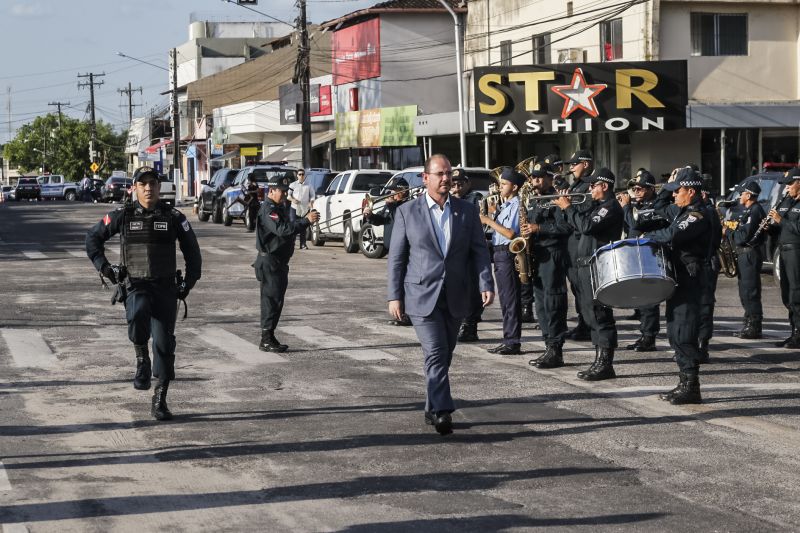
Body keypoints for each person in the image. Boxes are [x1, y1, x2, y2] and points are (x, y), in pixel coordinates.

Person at [387, 154, 494, 436]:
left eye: (449, 174)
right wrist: (393, 296)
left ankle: (431, 405)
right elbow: (397, 258)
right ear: (426, 178)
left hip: (457, 294)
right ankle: (444, 410)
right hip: (421, 295)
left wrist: (486, 282)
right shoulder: (407, 212)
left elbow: (479, 251)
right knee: (434, 352)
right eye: (440, 174)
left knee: (444, 355)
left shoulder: (466, 211)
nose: (447, 179)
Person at [85, 166, 202, 421]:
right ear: (134, 188)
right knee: (137, 315)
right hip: (135, 284)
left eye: (153, 183)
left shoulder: (173, 216)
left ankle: (160, 398)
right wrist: (105, 269)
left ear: (159, 187)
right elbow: (93, 239)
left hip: (165, 288)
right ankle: (141, 359)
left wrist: (188, 284)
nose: (148, 188)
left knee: (163, 345)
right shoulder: (122, 215)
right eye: (143, 184)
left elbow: (193, 251)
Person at [646, 168, 712, 404]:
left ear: (691, 191)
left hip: (690, 278)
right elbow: (659, 206)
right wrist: (670, 184)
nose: (674, 196)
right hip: (680, 278)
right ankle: (684, 382)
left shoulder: (697, 216)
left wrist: (648, 238)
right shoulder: (683, 210)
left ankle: (692, 387)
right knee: (675, 331)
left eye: (678, 191)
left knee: (684, 332)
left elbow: (672, 234)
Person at [554, 167, 623, 381]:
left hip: (598, 266)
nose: (590, 188)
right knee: (589, 313)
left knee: (600, 314)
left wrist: (567, 208)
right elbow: (576, 223)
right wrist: (568, 205)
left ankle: (606, 363)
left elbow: (585, 226)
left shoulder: (609, 207)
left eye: (593, 185)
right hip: (584, 265)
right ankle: (598, 360)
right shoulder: (596, 205)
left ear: (604, 186)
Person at [255, 174, 320, 352]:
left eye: (286, 192)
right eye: (281, 192)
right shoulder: (269, 209)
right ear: (271, 191)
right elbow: (282, 230)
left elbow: (290, 228)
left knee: (276, 301)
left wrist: (305, 220)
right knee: (271, 301)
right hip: (270, 262)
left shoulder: (278, 207)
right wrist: (306, 221)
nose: (284, 195)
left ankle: (270, 336)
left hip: (279, 262)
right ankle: (266, 339)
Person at [523, 162, 571, 368]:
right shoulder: (533, 200)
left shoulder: (555, 199)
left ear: (551, 178)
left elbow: (565, 226)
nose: (535, 181)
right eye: (533, 177)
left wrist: (538, 227)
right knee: (541, 304)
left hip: (553, 253)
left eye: (540, 177)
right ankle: (547, 345)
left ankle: (556, 349)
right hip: (537, 254)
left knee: (553, 303)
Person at [618, 169, 668, 351]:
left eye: (639, 189)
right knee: (640, 297)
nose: (635, 192)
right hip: (635, 254)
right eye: (634, 189)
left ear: (650, 189)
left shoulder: (655, 206)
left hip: (649, 256)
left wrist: (626, 206)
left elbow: (635, 223)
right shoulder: (638, 205)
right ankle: (644, 333)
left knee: (649, 299)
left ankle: (649, 337)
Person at [480, 167, 526, 355]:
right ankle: (508, 338)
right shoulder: (505, 205)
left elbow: (510, 233)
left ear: (514, 187)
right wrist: (492, 215)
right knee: (505, 300)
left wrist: (488, 221)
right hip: (498, 252)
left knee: (511, 299)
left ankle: (513, 341)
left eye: (504, 184)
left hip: (508, 253)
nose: (500, 188)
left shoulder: (516, 205)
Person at [363, 178, 412, 326]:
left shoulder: (408, 205)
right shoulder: (392, 205)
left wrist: (391, 206)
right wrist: (370, 215)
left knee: (406, 283)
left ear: (403, 191)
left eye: (394, 191)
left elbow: (399, 219)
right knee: (397, 282)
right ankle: (401, 314)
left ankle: (408, 314)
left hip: (407, 251)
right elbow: (382, 220)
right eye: (390, 191)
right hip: (393, 249)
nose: (390, 194)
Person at [560, 150, 594, 341]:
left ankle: (588, 325)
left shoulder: (590, 186)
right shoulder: (577, 185)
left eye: (575, 164)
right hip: (572, 241)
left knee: (583, 287)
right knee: (576, 287)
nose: (571, 168)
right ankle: (583, 323)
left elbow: (584, 212)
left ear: (586, 164)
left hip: (581, 241)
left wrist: (567, 204)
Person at [450, 169, 486, 342]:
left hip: (470, 251)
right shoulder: (448, 200)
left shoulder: (475, 199)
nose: (456, 188)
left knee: (471, 291)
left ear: (468, 184)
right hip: (455, 253)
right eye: (453, 184)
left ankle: (470, 325)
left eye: (460, 184)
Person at [728, 181, 766, 339]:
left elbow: (743, 237)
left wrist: (729, 231)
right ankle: (748, 322)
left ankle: (754, 326)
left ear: (749, 195)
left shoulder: (755, 211)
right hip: (744, 254)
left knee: (750, 291)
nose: (739, 196)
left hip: (750, 253)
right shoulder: (748, 210)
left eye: (742, 193)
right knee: (745, 291)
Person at [768, 168, 800, 348]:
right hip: (783, 250)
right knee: (787, 293)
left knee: (797, 292)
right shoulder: (787, 201)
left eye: (789, 184)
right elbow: (780, 228)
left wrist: (781, 220)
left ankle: (799, 334)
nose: (787, 188)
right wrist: (770, 228)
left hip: (797, 250)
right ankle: (793, 330)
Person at [288, 169, 315, 249]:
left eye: (303, 174)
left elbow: (312, 195)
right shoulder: (293, 185)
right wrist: (293, 200)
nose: (301, 176)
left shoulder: (309, 185)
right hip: (294, 208)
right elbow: (288, 196)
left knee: (303, 226)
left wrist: (311, 202)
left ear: (305, 175)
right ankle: (291, 243)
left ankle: (303, 244)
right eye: (299, 174)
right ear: (297, 175)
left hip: (304, 209)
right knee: (293, 225)